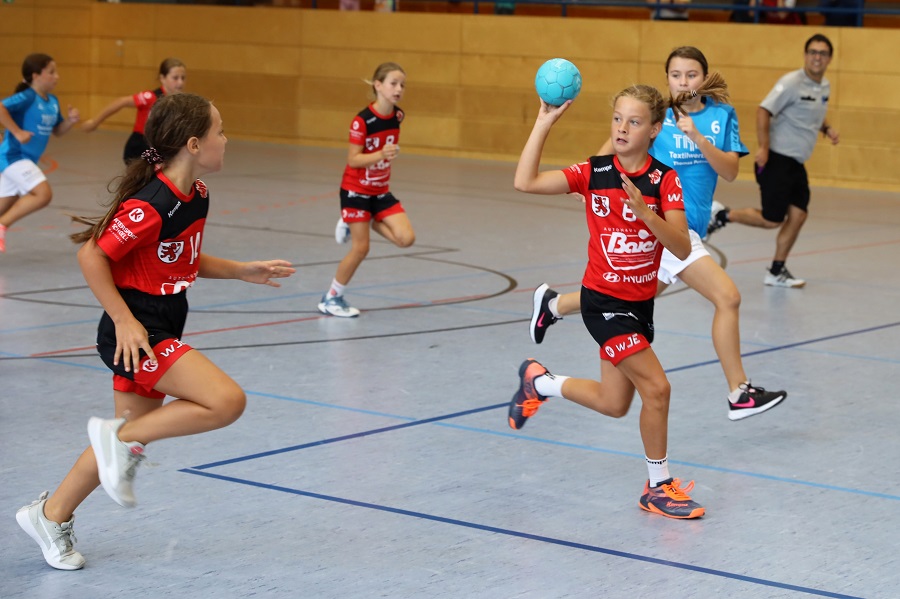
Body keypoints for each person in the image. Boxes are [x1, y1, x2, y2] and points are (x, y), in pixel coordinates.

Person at [15, 92, 296, 570]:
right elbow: (91, 255)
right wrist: (125, 320)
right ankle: (117, 442)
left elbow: (181, 257)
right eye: (220, 131)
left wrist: (240, 270)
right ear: (193, 144)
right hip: (135, 332)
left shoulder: (197, 194)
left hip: (163, 321)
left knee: (125, 438)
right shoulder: (150, 205)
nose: (226, 139)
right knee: (226, 401)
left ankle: (50, 514)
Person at [531, 47, 787, 422]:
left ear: (704, 78)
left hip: (687, 229)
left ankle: (553, 306)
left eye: (691, 75)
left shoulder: (720, 116)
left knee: (634, 298)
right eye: (675, 75)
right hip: (660, 230)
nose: (683, 82)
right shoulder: (653, 119)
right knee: (728, 298)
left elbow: (731, 172)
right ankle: (739, 391)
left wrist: (698, 138)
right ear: (667, 79)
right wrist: (596, 187)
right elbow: (605, 159)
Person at [510, 84, 705, 519]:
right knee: (657, 389)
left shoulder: (664, 180)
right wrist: (544, 122)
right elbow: (525, 182)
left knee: (614, 404)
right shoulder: (594, 172)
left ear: (654, 129)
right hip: (602, 303)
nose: (622, 128)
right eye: (617, 119)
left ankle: (539, 382)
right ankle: (658, 487)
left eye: (634, 121)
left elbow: (680, 246)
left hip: (639, 306)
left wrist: (646, 214)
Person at [708, 34, 838, 288]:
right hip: (776, 159)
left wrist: (827, 128)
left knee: (799, 215)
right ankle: (723, 215)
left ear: (829, 58)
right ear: (805, 55)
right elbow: (763, 111)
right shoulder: (791, 83)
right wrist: (764, 147)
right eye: (813, 52)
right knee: (772, 219)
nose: (817, 57)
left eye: (822, 53)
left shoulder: (824, 86)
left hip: (796, 163)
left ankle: (776, 271)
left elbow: (813, 113)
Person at [319, 62, 415, 318]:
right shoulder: (362, 121)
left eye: (402, 85)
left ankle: (357, 220)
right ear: (378, 85)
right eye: (393, 83)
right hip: (356, 192)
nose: (399, 89)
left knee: (406, 239)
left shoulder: (398, 116)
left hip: (380, 191)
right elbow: (353, 160)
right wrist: (381, 154)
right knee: (361, 248)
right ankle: (331, 297)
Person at [0, 53, 79, 253]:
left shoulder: (53, 101)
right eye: (51, 72)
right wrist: (17, 132)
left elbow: (57, 131)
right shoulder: (27, 97)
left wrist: (70, 121)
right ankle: (2, 226)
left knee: (5, 203)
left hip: (27, 160)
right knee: (43, 194)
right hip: (14, 156)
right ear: (35, 76)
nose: (56, 76)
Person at [81, 58, 187, 164]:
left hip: (158, 145)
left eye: (183, 78)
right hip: (140, 146)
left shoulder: (178, 102)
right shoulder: (150, 97)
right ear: (162, 78)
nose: (180, 82)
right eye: (175, 78)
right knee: (159, 169)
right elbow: (121, 101)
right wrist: (95, 122)